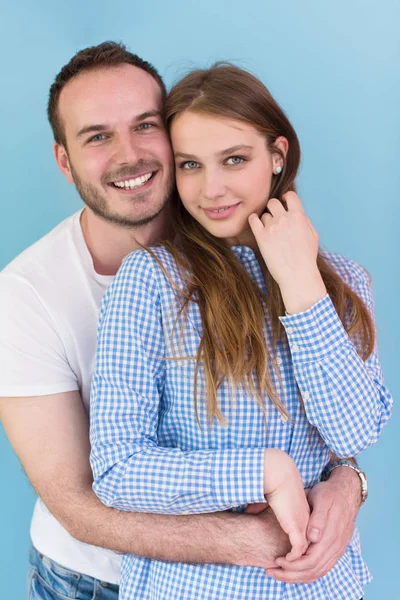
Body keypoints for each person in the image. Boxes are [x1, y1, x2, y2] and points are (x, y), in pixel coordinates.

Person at [0, 42, 372, 600]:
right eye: (97, 136)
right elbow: (91, 496)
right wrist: (265, 489)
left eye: (145, 126)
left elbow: (346, 433)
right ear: (65, 160)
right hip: (90, 574)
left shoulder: (313, 268)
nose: (212, 186)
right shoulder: (36, 294)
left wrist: (348, 481)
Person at [89, 63, 393, 600]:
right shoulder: (153, 281)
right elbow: (118, 468)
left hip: (322, 586)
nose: (212, 189)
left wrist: (301, 284)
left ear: (277, 155)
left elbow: (353, 435)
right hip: (195, 587)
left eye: (235, 159)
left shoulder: (344, 283)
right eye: (189, 165)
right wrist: (264, 471)